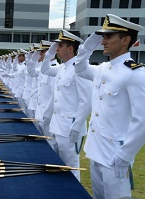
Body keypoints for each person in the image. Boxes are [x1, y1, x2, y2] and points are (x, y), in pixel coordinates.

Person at [74, 14, 145, 198]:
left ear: (125, 40)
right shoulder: (103, 69)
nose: (104, 41)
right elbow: (79, 68)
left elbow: (142, 120)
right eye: (103, 37)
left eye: (109, 36)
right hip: (96, 149)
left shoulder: (135, 73)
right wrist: (87, 47)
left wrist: (125, 156)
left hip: (115, 155)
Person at [41, 30, 92, 181]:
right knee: (57, 166)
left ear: (70, 48)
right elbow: (45, 70)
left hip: (69, 128)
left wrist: (77, 126)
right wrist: (49, 55)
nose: (57, 49)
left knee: (70, 168)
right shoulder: (62, 68)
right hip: (57, 125)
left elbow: (87, 101)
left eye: (60, 46)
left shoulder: (79, 68)